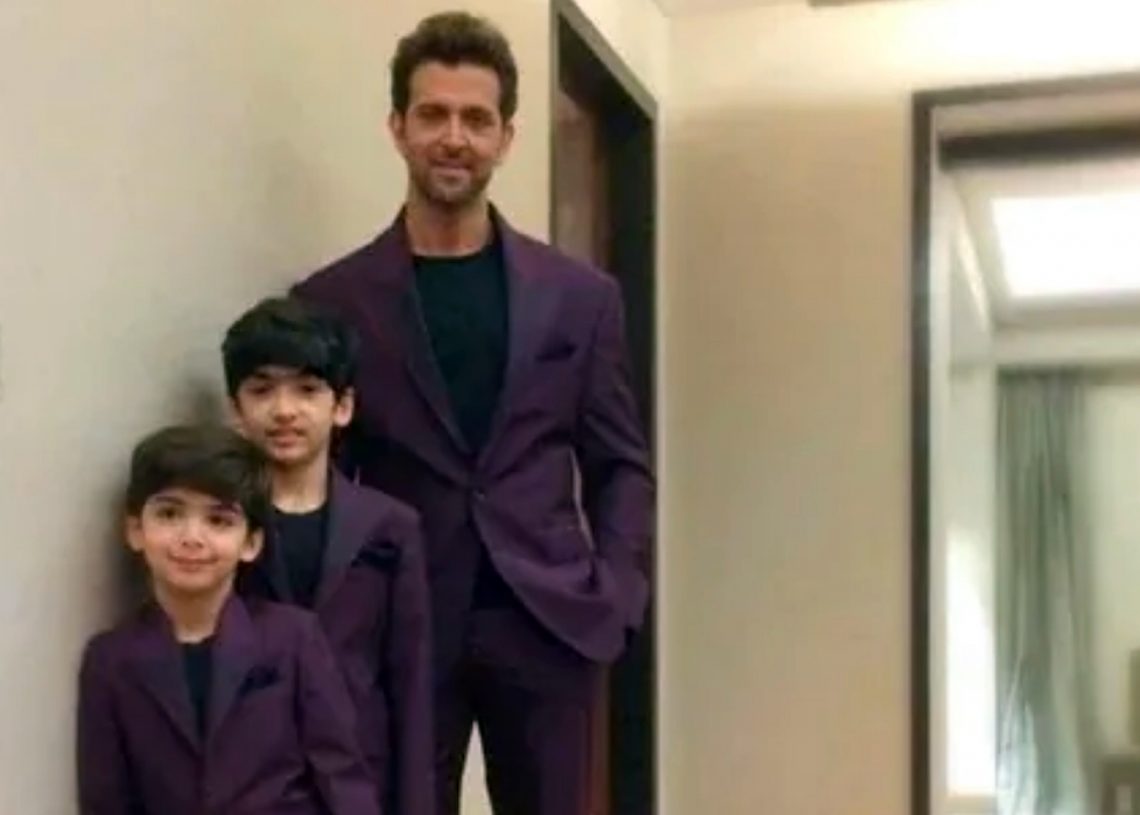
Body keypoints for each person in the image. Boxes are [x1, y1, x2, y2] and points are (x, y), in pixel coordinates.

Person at [291, 11, 654, 814]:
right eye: (433, 114)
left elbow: (620, 462)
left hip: (550, 620)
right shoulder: (332, 302)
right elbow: (318, 476)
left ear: (506, 137)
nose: (453, 138)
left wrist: (618, 592)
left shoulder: (580, 298)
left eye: (476, 119)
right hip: (403, 628)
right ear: (398, 127)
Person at [76, 424, 378, 815]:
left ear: (251, 542)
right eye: (169, 514)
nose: (192, 537)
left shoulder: (294, 638)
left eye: (218, 521)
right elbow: (106, 800)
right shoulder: (110, 660)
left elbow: (343, 778)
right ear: (135, 530)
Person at [223, 296, 434, 815]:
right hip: (251, 783)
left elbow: (410, 683)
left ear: (343, 407)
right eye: (262, 390)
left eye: (307, 389)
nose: (284, 410)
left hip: (358, 778)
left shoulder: (390, 526)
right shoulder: (220, 525)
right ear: (235, 410)